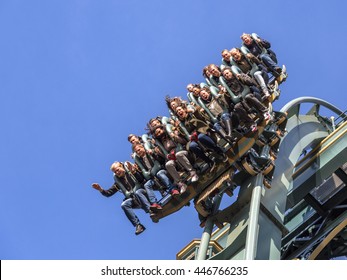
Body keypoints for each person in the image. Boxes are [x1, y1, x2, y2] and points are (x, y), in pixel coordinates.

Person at [92, 161, 152, 235]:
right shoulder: (119, 182)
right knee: (124, 204)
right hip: (136, 200)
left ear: (121, 166)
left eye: (117, 170)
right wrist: (100, 189)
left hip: (144, 193)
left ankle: (151, 210)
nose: (117, 172)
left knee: (137, 192)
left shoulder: (130, 171)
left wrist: (133, 171)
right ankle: (138, 225)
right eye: (115, 172)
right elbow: (108, 193)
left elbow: (141, 179)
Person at [149, 120, 199, 193]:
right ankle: (181, 184)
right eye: (157, 134)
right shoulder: (161, 143)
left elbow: (184, 142)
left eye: (159, 131)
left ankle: (193, 173)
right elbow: (165, 156)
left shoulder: (171, 131)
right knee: (168, 164)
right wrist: (158, 152)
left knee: (178, 154)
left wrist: (175, 136)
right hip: (175, 160)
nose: (159, 134)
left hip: (185, 154)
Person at [174, 104, 228, 170]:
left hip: (204, 133)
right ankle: (209, 161)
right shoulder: (182, 125)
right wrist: (176, 133)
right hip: (194, 139)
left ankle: (220, 152)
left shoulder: (192, 114)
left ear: (184, 109)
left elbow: (201, 118)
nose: (179, 112)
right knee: (192, 146)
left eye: (179, 110)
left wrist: (193, 111)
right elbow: (184, 137)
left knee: (201, 137)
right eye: (177, 112)